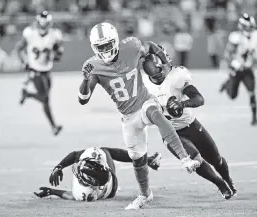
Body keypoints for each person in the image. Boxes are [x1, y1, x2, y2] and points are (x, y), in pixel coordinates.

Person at [77, 22, 200, 210]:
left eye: (108, 44)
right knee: (138, 158)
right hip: (127, 116)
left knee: (157, 116)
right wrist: (85, 80)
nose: (106, 49)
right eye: (101, 47)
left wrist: (166, 64)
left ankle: (185, 159)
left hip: (144, 102)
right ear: (95, 48)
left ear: (116, 41)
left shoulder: (131, 46)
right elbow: (83, 99)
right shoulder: (92, 66)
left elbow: (150, 46)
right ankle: (144, 195)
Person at [142, 47, 236, 199]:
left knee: (216, 159)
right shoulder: (145, 86)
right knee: (193, 158)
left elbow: (199, 99)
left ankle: (228, 181)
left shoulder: (176, 76)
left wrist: (182, 104)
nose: (163, 72)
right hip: (170, 133)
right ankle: (220, 183)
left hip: (191, 125)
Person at [34, 147, 161, 201]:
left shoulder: (85, 193)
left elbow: (72, 196)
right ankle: (147, 160)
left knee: (104, 151)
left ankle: (147, 160)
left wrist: (53, 190)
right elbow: (75, 155)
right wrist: (58, 168)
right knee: (105, 151)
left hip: (109, 184)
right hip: (108, 183)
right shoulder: (98, 156)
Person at [14, 11, 63, 135]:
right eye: (42, 24)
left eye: (46, 24)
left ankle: (27, 94)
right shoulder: (30, 33)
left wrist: (55, 54)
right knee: (45, 98)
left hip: (47, 70)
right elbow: (19, 48)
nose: (44, 26)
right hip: (35, 70)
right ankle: (53, 126)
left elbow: (58, 55)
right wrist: (23, 62)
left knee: (45, 98)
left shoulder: (54, 35)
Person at [220, 13, 257, 125]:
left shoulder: (255, 36)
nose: (249, 29)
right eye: (247, 27)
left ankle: (254, 117)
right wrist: (234, 62)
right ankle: (227, 84)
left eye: (250, 26)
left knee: (252, 91)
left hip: (247, 69)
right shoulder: (236, 37)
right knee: (232, 96)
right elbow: (227, 54)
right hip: (237, 69)